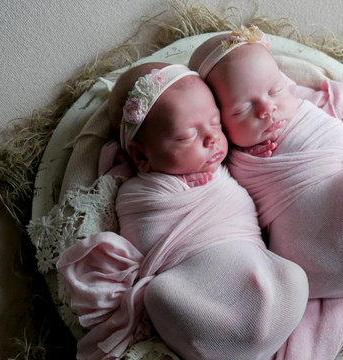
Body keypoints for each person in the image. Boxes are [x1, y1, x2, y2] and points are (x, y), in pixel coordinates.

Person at [189, 26, 343, 359]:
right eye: (242, 110)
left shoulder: (309, 113)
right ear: (219, 123)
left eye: (275, 90)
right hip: (307, 261)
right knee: (280, 273)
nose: (267, 110)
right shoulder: (231, 163)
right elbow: (244, 217)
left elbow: (339, 143)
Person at [56, 62, 308, 360]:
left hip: (276, 300)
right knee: (160, 295)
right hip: (208, 316)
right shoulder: (137, 194)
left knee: (295, 275)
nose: (213, 138)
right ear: (141, 156)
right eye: (187, 136)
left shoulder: (228, 164)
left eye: (216, 124)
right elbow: (150, 239)